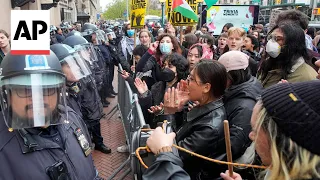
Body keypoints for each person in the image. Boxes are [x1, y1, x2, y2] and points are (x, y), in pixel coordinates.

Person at [143, 81, 320, 180]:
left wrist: (165, 154)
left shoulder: (211, 125)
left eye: (257, 130)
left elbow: (182, 153)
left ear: (283, 140)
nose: (250, 135)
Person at [0, 52, 102, 179]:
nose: (38, 98)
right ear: (7, 96)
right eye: (25, 90)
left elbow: (88, 163)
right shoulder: (3, 151)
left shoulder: (71, 118)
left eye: (48, 89)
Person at [151, 60, 228, 179]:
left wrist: (168, 113)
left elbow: (172, 154)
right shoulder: (202, 107)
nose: (186, 82)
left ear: (206, 87)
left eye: (191, 79)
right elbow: (180, 132)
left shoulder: (210, 127)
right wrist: (178, 109)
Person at [217, 51, 263, 178]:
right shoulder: (235, 90)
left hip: (233, 167)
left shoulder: (245, 105)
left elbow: (233, 145)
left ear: (232, 76)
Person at [258, 23, 318, 88]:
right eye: (270, 38)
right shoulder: (268, 65)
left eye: (278, 39)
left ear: (293, 44)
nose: (271, 43)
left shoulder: (306, 78)